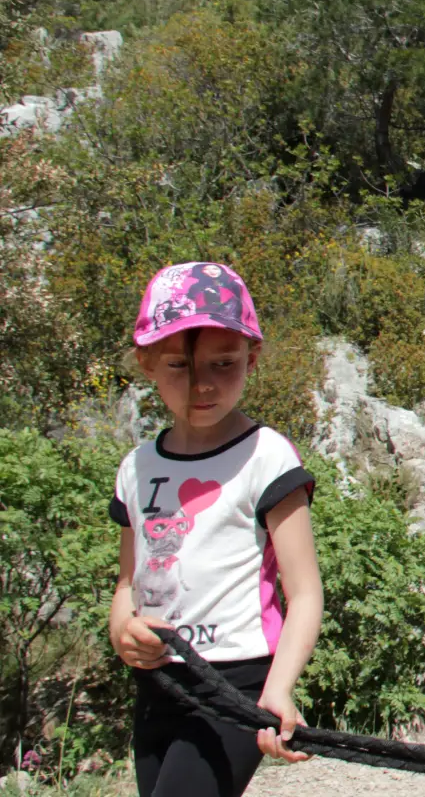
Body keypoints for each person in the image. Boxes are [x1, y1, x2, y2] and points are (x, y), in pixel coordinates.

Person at [108, 262, 324, 797]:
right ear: (147, 363)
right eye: (178, 366)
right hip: (157, 682)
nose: (201, 384)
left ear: (252, 358)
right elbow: (126, 585)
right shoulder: (136, 466)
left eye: (223, 363)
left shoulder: (266, 456)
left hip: (238, 678)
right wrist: (121, 633)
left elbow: (305, 592)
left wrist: (278, 688)